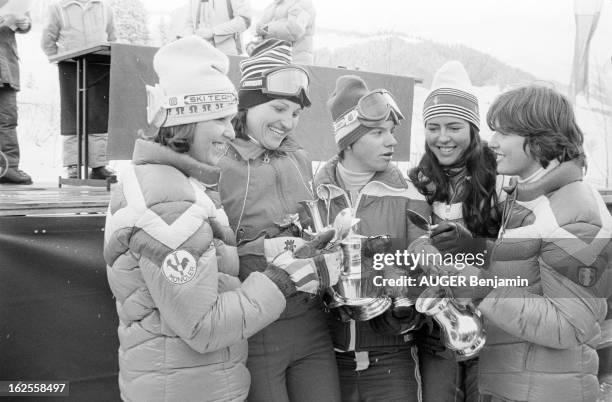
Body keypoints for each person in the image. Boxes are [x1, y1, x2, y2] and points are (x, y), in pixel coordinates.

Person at [104, 36, 341, 402]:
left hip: (211, 369)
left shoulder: (185, 183)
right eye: (220, 119)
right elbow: (204, 324)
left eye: (295, 113)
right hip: (201, 368)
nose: (229, 132)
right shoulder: (170, 200)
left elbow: (207, 274)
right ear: (187, 118)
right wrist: (279, 271)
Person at [435, 84, 612, 402]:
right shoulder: (528, 197)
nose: (493, 143)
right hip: (510, 385)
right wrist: (472, 249)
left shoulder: (576, 210)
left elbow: (571, 324)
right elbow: (530, 273)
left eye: (504, 133)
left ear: (541, 138)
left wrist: (483, 290)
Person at [218, 39, 343, 402]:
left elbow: (312, 223)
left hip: (311, 325)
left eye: (295, 113)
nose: (288, 122)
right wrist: (268, 247)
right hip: (258, 330)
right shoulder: (222, 163)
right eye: (278, 108)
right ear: (247, 104)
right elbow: (210, 250)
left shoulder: (300, 158)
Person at [313, 75, 426, 402]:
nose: (391, 141)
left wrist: (401, 297)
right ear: (348, 140)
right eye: (378, 133)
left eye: (392, 131)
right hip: (328, 358)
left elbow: (425, 271)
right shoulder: (314, 195)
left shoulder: (409, 196)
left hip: (392, 359)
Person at [408, 60, 500, 402]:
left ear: (473, 128)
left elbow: (516, 253)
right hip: (437, 320)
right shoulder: (416, 181)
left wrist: (472, 244)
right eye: (433, 127)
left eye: (453, 127)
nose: (442, 138)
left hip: (489, 314)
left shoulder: (499, 178)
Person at [41, 0, 116, 180]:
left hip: (99, 66)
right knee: (72, 113)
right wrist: (60, 59)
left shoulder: (105, 7)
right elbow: (47, 40)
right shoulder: (58, 7)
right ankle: (73, 165)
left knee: (98, 114)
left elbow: (112, 38)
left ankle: (99, 166)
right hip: (71, 67)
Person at [0, 12, 32, 185]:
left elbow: (25, 20)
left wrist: (24, 22)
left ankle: (9, 168)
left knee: (8, 119)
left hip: (6, 68)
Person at [254, 0, 315, 64]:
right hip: (272, 60)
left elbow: (293, 30)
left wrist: (265, 29)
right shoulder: (273, 5)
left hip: (294, 62)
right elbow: (260, 29)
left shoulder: (304, 3)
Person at [181, 0, 252, 55]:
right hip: (199, 54)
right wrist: (182, 39)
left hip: (228, 54)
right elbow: (190, 23)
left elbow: (244, 20)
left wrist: (213, 32)